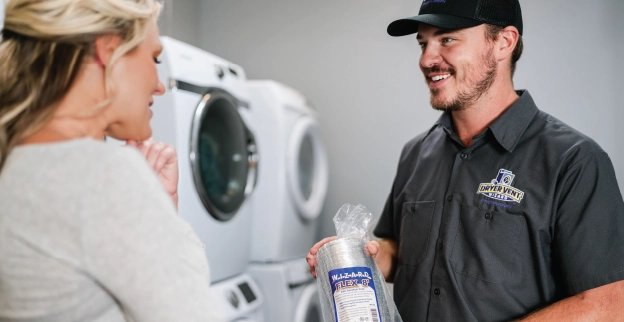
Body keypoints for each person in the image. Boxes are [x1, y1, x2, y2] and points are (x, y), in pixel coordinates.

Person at [307, 0, 624, 321]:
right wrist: (361, 256)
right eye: (423, 43)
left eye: (447, 39)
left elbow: (609, 303)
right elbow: (400, 249)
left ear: (503, 42)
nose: (427, 59)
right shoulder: (417, 152)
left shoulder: (573, 160)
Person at [0, 0, 223, 321]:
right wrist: (161, 213)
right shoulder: (103, 174)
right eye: (154, 58)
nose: (159, 85)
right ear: (108, 50)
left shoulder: (16, 164)